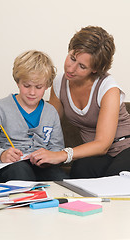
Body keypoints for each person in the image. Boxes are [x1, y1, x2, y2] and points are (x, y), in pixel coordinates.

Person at [26, 26, 130, 179]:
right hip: (97, 156)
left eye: (82, 66)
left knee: (116, 177)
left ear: (95, 69)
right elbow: (49, 125)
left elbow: (102, 144)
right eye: (72, 58)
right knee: (80, 170)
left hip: (125, 148)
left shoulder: (108, 88)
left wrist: (61, 155)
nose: (71, 68)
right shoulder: (59, 83)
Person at [0, 50, 68, 182]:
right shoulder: (0, 108)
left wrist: (49, 157)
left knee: (61, 179)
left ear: (47, 86)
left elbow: (57, 148)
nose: (32, 92)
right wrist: (1, 154)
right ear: (17, 82)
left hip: (42, 167)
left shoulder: (51, 112)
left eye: (38, 87)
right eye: (26, 86)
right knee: (21, 173)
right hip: (11, 167)